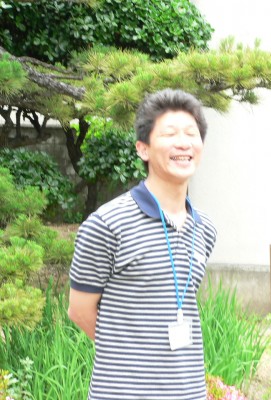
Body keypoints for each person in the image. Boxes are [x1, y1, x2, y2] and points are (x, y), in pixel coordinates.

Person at [68, 88, 217, 400]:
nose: (183, 143)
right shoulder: (106, 224)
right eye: (170, 134)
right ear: (143, 149)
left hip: (189, 392)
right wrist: (129, 355)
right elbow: (79, 311)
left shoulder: (204, 228)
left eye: (191, 133)